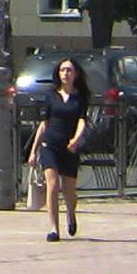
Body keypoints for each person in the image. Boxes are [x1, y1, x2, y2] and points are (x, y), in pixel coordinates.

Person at [30, 54, 90, 242]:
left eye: (69, 70)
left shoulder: (80, 97)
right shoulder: (51, 95)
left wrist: (76, 139)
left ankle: (71, 214)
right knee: (53, 185)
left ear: (76, 74)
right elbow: (44, 124)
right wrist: (33, 150)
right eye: (63, 70)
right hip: (50, 145)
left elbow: (82, 120)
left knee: (69, 190)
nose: (65, 73)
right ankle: (54, 229)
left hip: (70, 147)